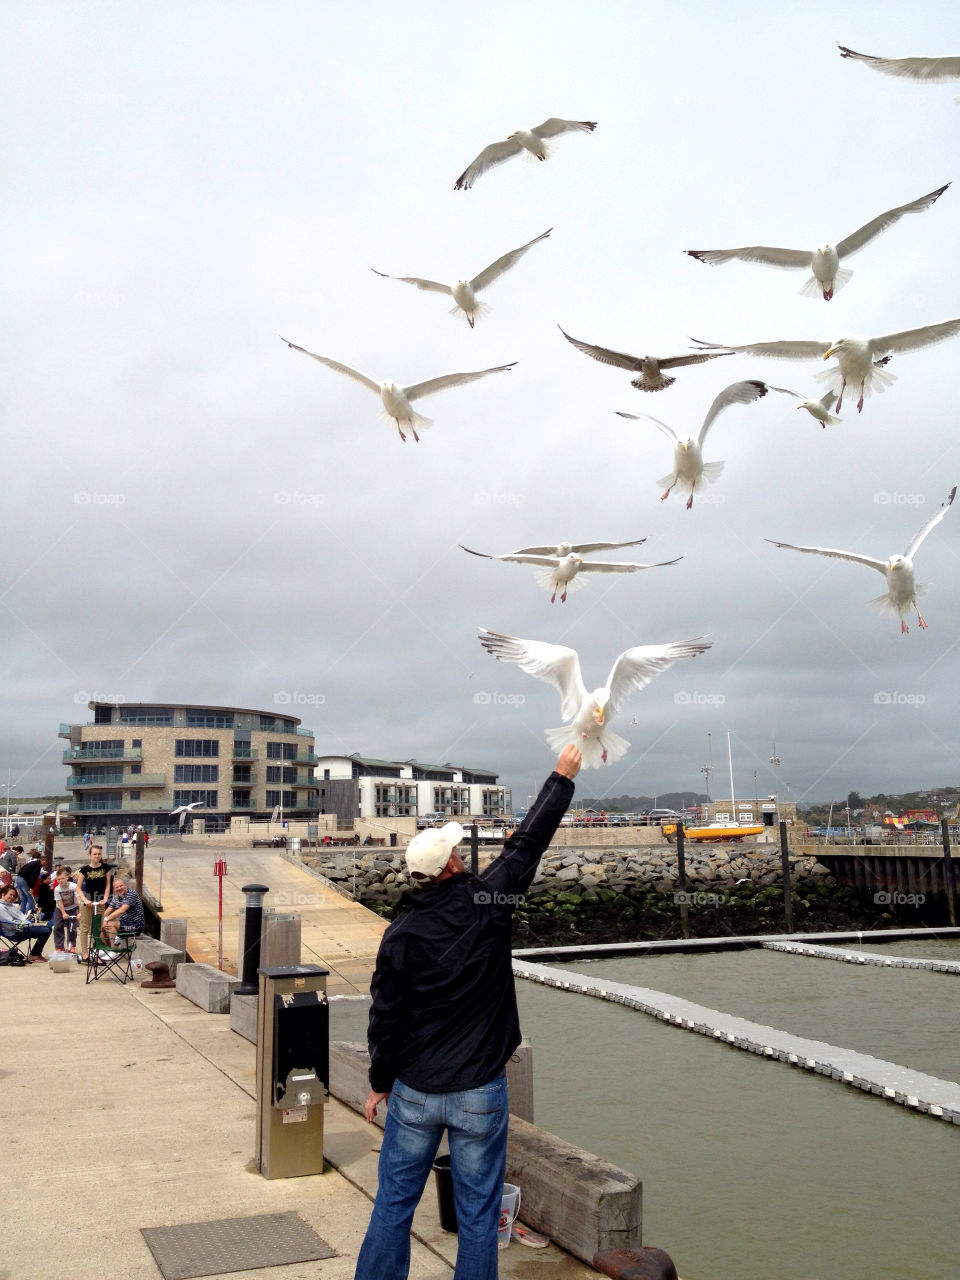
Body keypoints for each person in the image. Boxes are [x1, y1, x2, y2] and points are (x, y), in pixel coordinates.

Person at [353, 744, 581, 1280]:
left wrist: (379, 1081)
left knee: (393, 1204)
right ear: (453, 863)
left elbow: (384, 1016)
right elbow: (527, 846)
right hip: (479, 1088)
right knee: (477, 1217)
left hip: (414, 1090)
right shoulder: (488, 904)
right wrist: (562, 776)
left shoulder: (400, 934)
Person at [75, 845, 115, 962]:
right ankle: (85, 954)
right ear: (90, 855)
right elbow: (78, 888)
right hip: (88, 901)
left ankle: (96, 952)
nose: (97, 856)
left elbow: (108, 884)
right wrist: (85, 900)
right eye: (95, 854)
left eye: (99, 854)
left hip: (100, 901)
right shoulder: (84, 870)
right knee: (85, 928)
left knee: (97, 928)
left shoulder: (106, 868)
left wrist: (106, 897)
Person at [0, 884, 53, 962]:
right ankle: (34, 954)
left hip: (21, 928)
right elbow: (10, 923)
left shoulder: (9, 906)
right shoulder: (1, 907)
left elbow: (19, 919)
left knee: (49, 926)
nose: (12, 897)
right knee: (46, 930)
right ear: (3, 894)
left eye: (14, 896)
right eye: (10, 894)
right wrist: (27, 924)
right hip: (15, 932)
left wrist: (29, 920)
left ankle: (36, 954)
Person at [101, 876, 145, 944]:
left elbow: (121, 911)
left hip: (136, 925)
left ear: (125, 885)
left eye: (121, 886)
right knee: (102, 926)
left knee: (110, 924)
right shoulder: (116, 897)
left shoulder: (132, 894)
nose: (119, 888)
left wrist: (106, 920)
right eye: (117, 887)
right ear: (114, 889)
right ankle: (106, 949)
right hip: (123, 924)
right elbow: (107, 911)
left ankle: (114, 951)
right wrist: (102, 921)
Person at [52, 866, 80, 953]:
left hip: (72, 907)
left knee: (72, 927)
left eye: (62, 878)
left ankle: (72, 945)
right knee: (57, 927)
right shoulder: (57, 889)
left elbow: (79, 899)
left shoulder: (73, 886)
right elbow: (59, 902)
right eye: (59, 879)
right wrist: (63, 913)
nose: (61, 881)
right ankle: (59, 946)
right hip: (60, 909)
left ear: (67, 878)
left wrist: (80, 912)